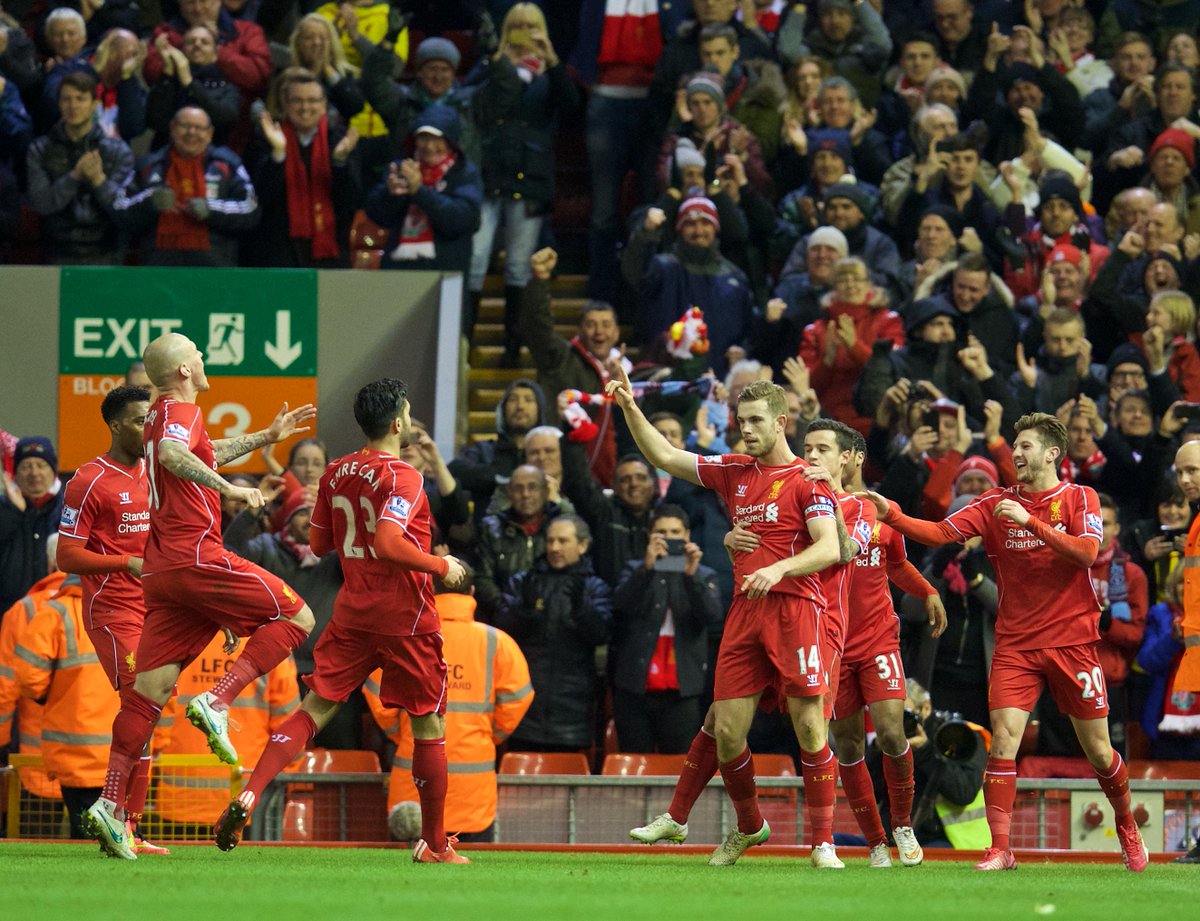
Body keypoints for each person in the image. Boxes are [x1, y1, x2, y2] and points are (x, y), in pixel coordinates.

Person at [858, 412, 1149, 872]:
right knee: (1003, 743)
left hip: (1073, 642)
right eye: (1015, 445)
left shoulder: (1079, 497)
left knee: (1097, 750)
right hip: (1015, 644)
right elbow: (939, 533)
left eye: (1026, 445)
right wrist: (891, 512)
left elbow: (1088, 554)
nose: (1016, 452)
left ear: (1053, 452)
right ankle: (1001, 848)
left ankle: (1127, 828)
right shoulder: (995, 501)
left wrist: (1031, 522)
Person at [210, 377, 470, 864]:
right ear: (397, 422)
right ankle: (435, 845)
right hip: (406, 617)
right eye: (409, 411)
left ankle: (250, 793)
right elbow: (392, 543)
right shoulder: (406, 477)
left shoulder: (337, 471)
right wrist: (442, 565)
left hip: (352, 612)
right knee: (429, 725)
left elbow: (321, 545)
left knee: (313, 710)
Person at [82, 333, 317, 861]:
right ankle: (218, 698)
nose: (205, 361)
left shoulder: (163, 416)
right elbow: (175, 454)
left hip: (163, 572)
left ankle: (112, 806)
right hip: (195, 555)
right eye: (199, 355)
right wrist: (231, 490)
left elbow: (197, 452)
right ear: (185, 369)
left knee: (146, 695)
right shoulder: (178, 413)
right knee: (298, 616)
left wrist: (265, 436)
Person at [613, 368, 850, 868]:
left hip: (796, 610)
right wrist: (630, 408)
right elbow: (665, 455)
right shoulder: (735, 471)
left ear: (782, 422)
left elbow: (831, 547)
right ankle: (748, 826)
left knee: (810, 728)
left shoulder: (808, 481)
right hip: (746, 610)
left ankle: (823, 842)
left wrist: (778, 567)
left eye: (756, 421)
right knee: (725, 732)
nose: (746, 429)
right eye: (741, 420)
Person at [808, 421, 948, 867]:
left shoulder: (879, 510)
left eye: (822, 449)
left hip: (877, 639)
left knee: (891, 732)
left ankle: (902, 824)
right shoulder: (809, 505)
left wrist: (927, 589)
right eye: (807, 449)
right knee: (847, 746)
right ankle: (875, 844)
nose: (811, 457)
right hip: (832, 644)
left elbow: (897, 563)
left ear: (849, 457)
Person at [55, 385, 167, 854]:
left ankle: (127, 827)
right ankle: (113, 813)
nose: (151, 428)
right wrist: (126, 563)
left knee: (149, 715)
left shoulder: (157, 472)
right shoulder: (87, 479)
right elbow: (66, 555)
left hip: (155, 610)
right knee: (140, 707)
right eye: (142, 420)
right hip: (112, 611)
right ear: (116, 425)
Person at [366, 567, 533, 843]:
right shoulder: (497, 642)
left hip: (415, 788)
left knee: (406, 882)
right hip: (473, 793)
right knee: (473, 884)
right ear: (472, 593)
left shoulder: (404, 639)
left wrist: (403, 732)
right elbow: (519, 697)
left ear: (428, 591)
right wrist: (491, 736)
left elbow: (376, 692)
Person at [610, 504, 724, 753]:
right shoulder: (635, 569)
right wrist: (646, 570)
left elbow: (713, 617)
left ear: (687, 536)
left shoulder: (704, 574)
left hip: (683, 689)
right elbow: (620, 606)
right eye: (662, 532)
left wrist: (691, 576)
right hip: (635, 687)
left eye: (675, 532)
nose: (669, 538)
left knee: (680, 766)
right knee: (634, 761)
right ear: (651, 536)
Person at [495, 516, 611, 753]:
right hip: (526, 709)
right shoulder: (523, 583)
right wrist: (524, 611)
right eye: (550, 541)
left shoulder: (594, 587)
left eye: (563, 541)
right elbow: (502, 632)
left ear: (583, 545)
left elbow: (602, 634)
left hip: (573, 713)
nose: (554, 548)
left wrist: (582, 609)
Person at [520, 248, 621, 487]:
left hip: (614, 478)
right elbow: (537, 327)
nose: (599, 332)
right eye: (591, 325)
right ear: (580, 331)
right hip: (566, 473)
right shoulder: (560, 357)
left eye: (606, 325)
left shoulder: (628, 371)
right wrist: (540, 281)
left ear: (617, 332)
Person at [113, 106, 260, 267]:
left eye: (199, 128)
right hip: (158, 269)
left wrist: (211, 209)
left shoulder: (228, 164)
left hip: (215, 270)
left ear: (210, 133)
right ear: (172, 128)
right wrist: (149, 201)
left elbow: (251, 210)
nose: (191, 132)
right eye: (184, 126)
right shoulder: (147, 165)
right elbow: (119, 210)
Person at [247, 70, 361, 268]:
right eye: (297, 100)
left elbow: (351, 200)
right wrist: (278, 154)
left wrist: (340, 162)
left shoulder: (340, 140)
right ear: (286, 104)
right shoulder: (264, 139)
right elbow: (261, 198)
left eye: (312, 100)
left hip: (330, 251)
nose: (305, 107)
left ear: (324, 105)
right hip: (279, 253)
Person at [25, 71, 134, 265]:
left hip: (106, 252)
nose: (73, 106)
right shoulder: (40, 149)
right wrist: (74, 177)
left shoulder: (118, 150)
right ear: (59, 104)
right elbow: (42, 203)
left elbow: (126, 213)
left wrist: (99, 181)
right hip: (56, 252)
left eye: (80, 99)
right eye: (66, 99)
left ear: (94, 104)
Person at [474, 465, 562, 620]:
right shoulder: (491, 528)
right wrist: (507, 611)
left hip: (552, 619)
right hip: (504, 618)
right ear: (509, 492)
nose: (525, 494)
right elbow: (483, 578)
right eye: (518, 489)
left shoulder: (560, 526)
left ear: (545, 491)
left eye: (532, 487)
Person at [0, 436, 64, 614]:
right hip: (9, 617)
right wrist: (14, 511)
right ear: (15, 473)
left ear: (54, 470)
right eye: (26, 466)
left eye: (41, 465)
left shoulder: (70, 508)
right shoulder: (4, 509)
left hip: (57, 615)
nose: (34, 473)